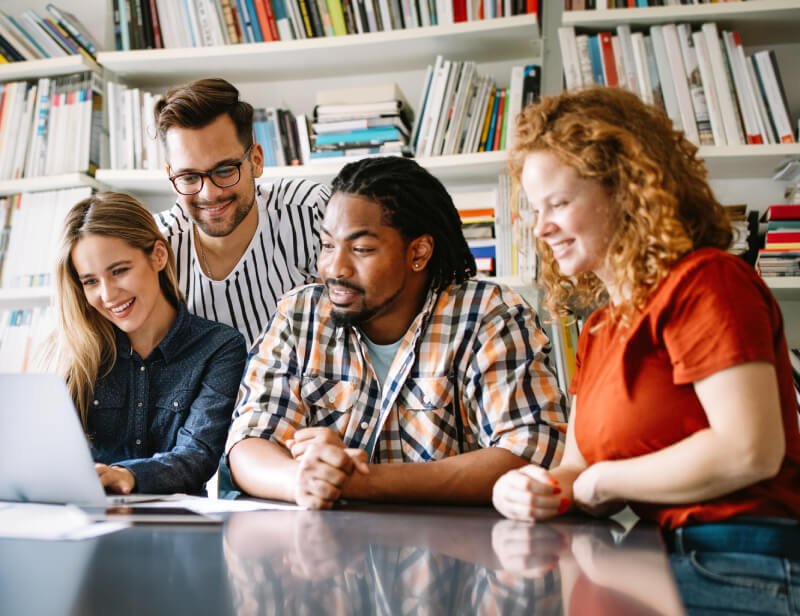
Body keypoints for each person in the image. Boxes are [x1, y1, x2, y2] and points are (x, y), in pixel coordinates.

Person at [491, 87, 800, 614]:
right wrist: (526, 488)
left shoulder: (708, 282)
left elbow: (749, 449)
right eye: (535, 209)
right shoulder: (600, 329)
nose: (541, 228)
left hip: (741, 564)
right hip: (658, 555)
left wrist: (602, 482)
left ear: (627, 190)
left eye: (559, 203)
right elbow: (578, 468)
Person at [225, 156, 568, 509]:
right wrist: (300, 480)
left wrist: (361, 480)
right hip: (326, 552)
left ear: (418, 252)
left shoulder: (487, 315)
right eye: (327, 245)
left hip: (460, 553)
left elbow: (533, 449)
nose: (334, 268)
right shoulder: (300, 315)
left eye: (361, 249)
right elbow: (249, 442)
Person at [49, 192, 246, 495]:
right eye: (90, 281)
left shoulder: (219, 347)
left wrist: (127, 476)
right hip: (85, 523)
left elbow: (197, 455)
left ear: (158, 256)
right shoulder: (77, 352)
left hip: (176, 531)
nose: (108, 294)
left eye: (119, 271)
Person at [153, 78, 330, 348]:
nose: (209, 194)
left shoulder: (309, 210)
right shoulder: (155, 245)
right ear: (170, 175)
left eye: (224, 170)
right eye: (189, 177)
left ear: (256, 161)